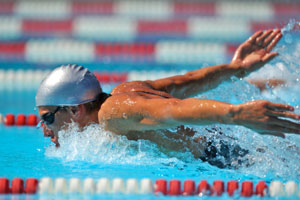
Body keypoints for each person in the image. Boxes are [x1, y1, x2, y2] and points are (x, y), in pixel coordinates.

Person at [36, 29, 300, 167]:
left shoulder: (112, 114)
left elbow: (174, 108)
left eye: (48, 118)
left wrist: (238, 114)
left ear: (75, 110)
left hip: (222, 159)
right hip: (222, 147)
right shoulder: (125, 90)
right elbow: (185, 82)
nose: (45, 130)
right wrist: (235, 69)